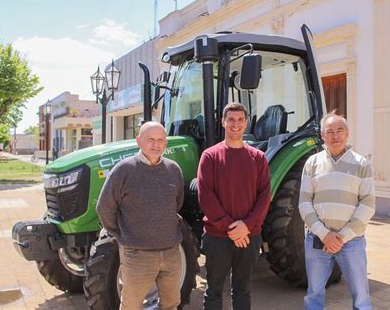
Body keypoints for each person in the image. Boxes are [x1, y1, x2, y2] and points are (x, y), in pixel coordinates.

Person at [96, 121, 184, 310]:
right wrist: (121, 234)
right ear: (139, 141)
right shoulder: (124, 170)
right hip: (137, 255)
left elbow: (176, 203)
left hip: (171, 253)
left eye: (160, 140)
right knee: (131, 306)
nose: (156, 144)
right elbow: (104, 207)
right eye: (150, 139)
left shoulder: (173, 169)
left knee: (171, 304)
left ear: (165, 143)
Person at [197, 102, 271, 310]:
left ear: (246, 123)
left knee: (242, 290)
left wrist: (246, 226)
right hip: (217, 237)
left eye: (240, 120)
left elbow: (264, 196)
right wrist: (232, 227)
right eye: (231, 119)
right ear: (223, 122)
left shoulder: (258, 158)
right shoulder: (210, 156)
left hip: (249, 236)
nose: (235, 124)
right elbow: (206, 196)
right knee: (213, 292)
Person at [299, 112, 375, 310]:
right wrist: (325, 235)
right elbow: (304, 203)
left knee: (361, 297)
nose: (335, 136)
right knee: (314, 293)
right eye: (329, 132)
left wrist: (341, 237)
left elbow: (367, 205)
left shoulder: (362, 164)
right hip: (318, 240)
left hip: (352, 242)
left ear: (347, 133)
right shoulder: (312, 163)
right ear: (323, 136)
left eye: (339, 130)